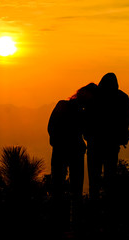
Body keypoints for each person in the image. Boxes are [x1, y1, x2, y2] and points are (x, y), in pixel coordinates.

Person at [48, 83, 97, 231]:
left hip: (62, 150)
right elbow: (88, 132)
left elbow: (51, 127)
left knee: (60, 187)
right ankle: (71, 224)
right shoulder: (80, 111)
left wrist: (56, 142)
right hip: (72, 150)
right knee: (74, 188)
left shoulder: (65, 106)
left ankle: (60, 223)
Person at [85, 73, 129, 199]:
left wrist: (88, 136)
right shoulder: (122, 98)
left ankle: (94, 209)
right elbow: (125, 121)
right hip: (111, 145)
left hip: (95, 145)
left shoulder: (95, 97)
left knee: (94, 182)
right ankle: (108, 210)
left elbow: (87, 119)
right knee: (110, 180)